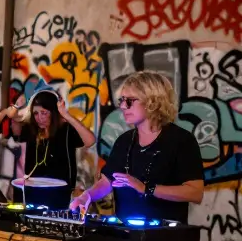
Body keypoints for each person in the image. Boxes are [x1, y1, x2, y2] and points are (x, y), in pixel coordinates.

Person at [70, 71, 203, 220]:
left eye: (129, 101)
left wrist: (147, 188)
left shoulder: (182, 140)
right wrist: (86, 196)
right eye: (121, 100)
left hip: (166, 236)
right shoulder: (124, 141)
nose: (122, 106)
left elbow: (195, 193)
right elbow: (108, 181)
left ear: (152, 102)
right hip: (125, 234)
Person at [0, 89, 95, 210]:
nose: (39, 118)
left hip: (58, 194)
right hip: (32, 193)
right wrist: (9, 111)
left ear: (53, 112)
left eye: (44, 113)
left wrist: (66, 115)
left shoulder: (66, 130)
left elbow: (90, 141)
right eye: (35, 113)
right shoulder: (32, 129)